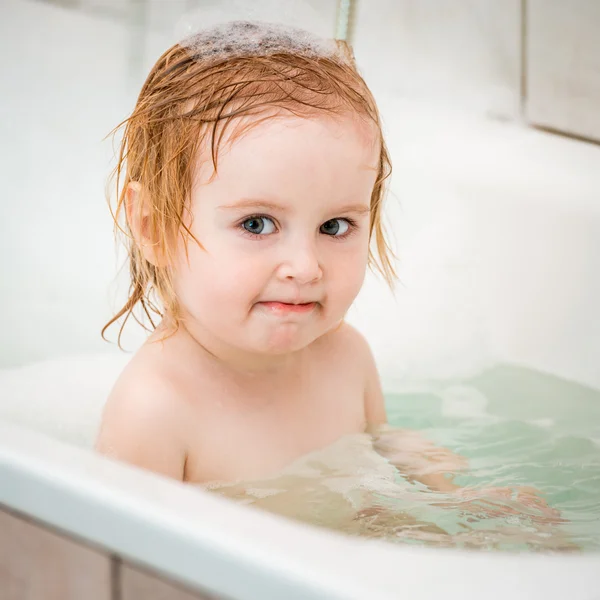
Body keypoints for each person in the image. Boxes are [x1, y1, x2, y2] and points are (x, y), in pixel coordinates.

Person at [94, 20, 562, 527]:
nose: (305, 267)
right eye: (257, 224)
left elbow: (380, 446)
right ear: (153, 226)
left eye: (334, 226)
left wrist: (455, 499)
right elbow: (120, 564)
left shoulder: (346, 356)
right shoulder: (155, 410)